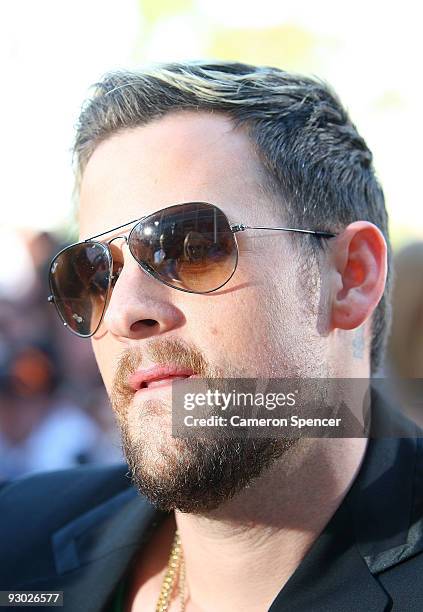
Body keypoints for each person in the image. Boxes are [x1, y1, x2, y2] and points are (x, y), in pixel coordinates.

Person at [1, 60, 422, 612]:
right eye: (92, 274)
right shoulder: (19, 537)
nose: (125, 311)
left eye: (191, 247)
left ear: (349, 277)